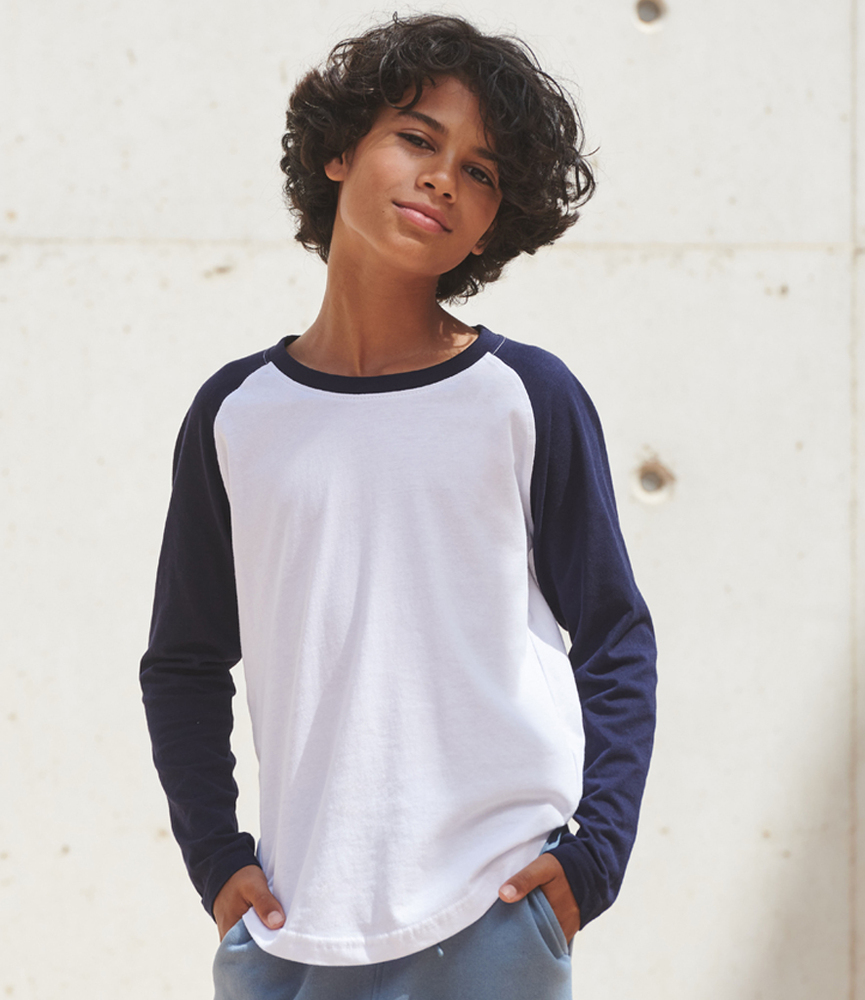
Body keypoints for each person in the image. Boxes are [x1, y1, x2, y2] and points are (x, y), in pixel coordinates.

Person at [140, 13, 657, 1000]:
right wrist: (215, 856)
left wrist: (592, 861)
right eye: (418, 138)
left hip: (492, 913)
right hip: (289, 926)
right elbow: (185, 659)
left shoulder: (524, 397)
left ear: (492, 220)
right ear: (339, 151)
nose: (442, 179)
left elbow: (614, 636)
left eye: (480, 171)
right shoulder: (237, 413)